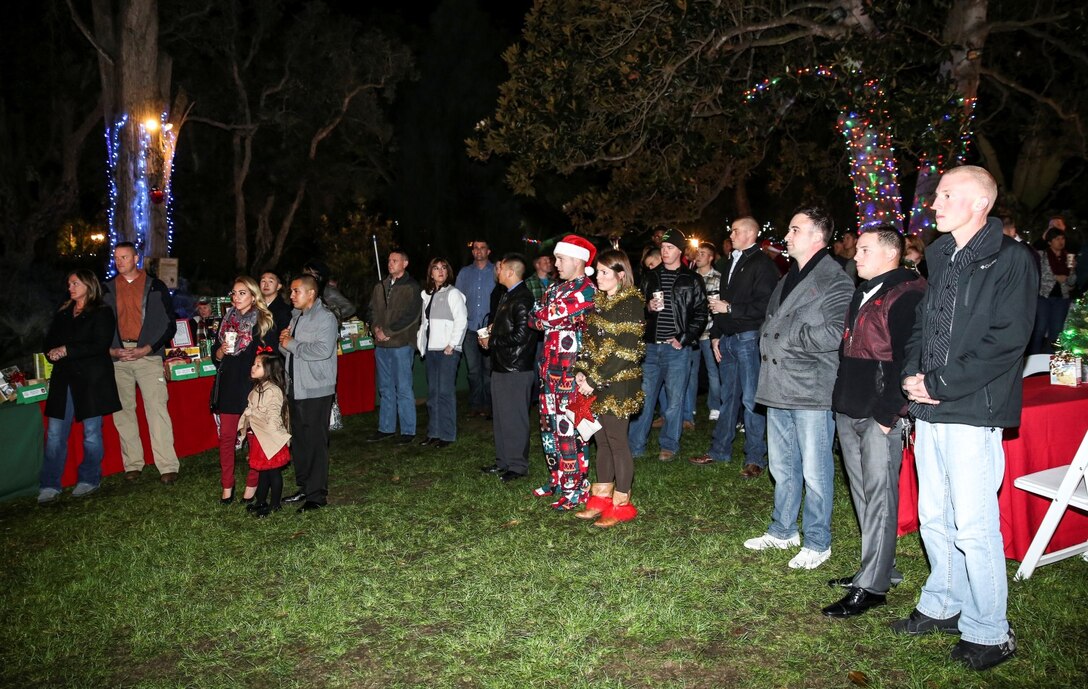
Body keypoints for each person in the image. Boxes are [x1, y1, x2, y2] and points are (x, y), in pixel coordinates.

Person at [897, 165, 1037, 671]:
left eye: (946, 195)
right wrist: (913, 375)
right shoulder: (941, 254)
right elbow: (924, 324)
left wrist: (940, 384)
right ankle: (943, 603)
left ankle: (990, 630)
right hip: (931, 405)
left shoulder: (1012, 258)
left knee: (974, 526)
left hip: (972, 407)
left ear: (979, 203)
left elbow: (1008, 338)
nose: (934, 204)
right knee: (935, 514)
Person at [822, 227, 925, 619]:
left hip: (879, 413)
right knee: (863, 493)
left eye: (864, 249)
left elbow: (906, 359)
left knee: (880, 498)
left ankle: (873, 586)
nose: (855, 255)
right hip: (850, 405)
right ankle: (880, 566)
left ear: (889, 254)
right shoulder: (863, 290)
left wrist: (888, 415)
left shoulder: (906, 293)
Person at [743, 207, 852, 570]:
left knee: (816, 471)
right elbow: (770, 321)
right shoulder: (789, 275)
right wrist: (767, 339)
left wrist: (788, 339)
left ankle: (818, 541)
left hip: (811, 387)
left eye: (794, 230)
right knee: (782, 465)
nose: (787, 236)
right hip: (778, 385)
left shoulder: (835, 278)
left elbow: (837, 332)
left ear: (817, 237)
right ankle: (783, 530)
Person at [689, 216, 779, 478]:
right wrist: (717, 334)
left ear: (751, 233)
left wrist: (731, 309)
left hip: (749, 339)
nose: (731, 234)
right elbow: (721, 303)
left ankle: (755, 458)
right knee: (729, 399)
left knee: (751, 400)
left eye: (736, 230)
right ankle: (719, 450)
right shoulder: (730, 262)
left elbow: (766, 306)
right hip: (728, 340)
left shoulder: (763, 264)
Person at [38, 270, 123, 504]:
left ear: (88, 284)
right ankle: (49, 484)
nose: (71, 287)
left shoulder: (102, 312)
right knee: (55, 434)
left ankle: (89, 479)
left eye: (75, 283)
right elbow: (49, 341)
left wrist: (67, 350)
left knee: (91, 434)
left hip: (91, 381)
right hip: (63, 379)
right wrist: (52, 352)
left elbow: (99, 344)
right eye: (69, 284)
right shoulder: (64, 313)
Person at [573, 249, 645, 527]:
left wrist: (595, 379)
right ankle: (600, 498)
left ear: (621, 274)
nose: (598, 276)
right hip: (597, 381)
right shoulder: (600, 303)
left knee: (617, 441)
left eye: (604, 272)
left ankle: (621, 504)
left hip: (619, 383)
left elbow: (625, 351)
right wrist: (581, 371)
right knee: (600, 440)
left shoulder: (631, 304)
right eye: (597, 271)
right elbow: (590, 345)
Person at [627, 228, 708, 462]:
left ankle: (669, 445)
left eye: (670, 247)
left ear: (680, 251)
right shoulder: (651, 276)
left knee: (674, 401)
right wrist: (648, 308)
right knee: (644, 399)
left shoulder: (692, 279)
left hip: (676, 350)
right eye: (662, 247)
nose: (664, 251)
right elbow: (638, 308)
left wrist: (683, 339)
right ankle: (635, 445)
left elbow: (701, 315)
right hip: (651, 347)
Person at [103, 242, 180, 485]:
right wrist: (112, 349)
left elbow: (169, 324)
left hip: (147, 355)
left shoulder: (155, 286)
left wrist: (147, 348)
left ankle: (167, 465)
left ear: (136, 258)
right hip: (117, 356)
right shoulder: (106, 289)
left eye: (125, 257)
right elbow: (97, 327)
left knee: (156, 409)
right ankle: (133, 464)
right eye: (116, 258)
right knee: (123, 412)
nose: (120, 261)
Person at [530, 235, 597, 508]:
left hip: (571, 373)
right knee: (549, 429)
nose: (555, 264)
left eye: (560, 259)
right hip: (549, 370)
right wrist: (547, 315)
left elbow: (545, 316)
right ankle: (557, 478)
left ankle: (575, 488)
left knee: (569, 430)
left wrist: (547, 315)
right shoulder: (557, 289)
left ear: (579, 260)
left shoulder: (587, 289)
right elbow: (535, 317)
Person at [211, 276, 276, 504]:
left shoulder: (262, 320)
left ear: (253, 295)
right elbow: (215, 354)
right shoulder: (226, 319)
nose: (236, 297)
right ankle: (227, 486)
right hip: (229, 385)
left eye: (242, 293)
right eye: (234, 293)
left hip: (251, 386)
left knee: (254, 437)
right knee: (227, 438)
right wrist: (219, 352)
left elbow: (270, 355)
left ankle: (252, 483)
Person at [279, 275, 339, 512]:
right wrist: (284, 344)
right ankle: (304, 486)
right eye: (292, 292)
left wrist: (291, 343)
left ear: (311, 293)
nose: (291, 296)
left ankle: (317, 495)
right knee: (300, 442)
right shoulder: (297, 317)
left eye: (296, 291)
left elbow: (323, 351)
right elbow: (293, 352)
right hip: (296, 386)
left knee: (315, 442)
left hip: (316, 389)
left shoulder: (325, 318)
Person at [480, 255, 539, 482]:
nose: (498, 271)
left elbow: (523, 335)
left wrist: (493, 340)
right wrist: (494, 329)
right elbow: (510, 327)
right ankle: (503, 461)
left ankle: (517, 465)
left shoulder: (523, 298)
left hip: (516, 368)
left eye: (501, 268)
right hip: (502, 365)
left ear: (511, 272)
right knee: (502, 417)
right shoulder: (508, 295)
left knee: (515, 418)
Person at [367, 249, 422, 444]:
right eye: (389, 260)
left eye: (395, 260)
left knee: (404, 388)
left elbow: (411, 316)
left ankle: (408, 430)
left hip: (400, 344)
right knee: (385, 388)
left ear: (405, 263)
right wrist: (376, 329)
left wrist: (388, 331)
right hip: (381, 345)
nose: (390, 264)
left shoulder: (412, 287)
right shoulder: (380, 287)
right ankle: (386, 428)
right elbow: (372, 311)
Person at [417, 257, 467, 448]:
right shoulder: (427, 295)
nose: (440, 271)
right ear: (431, 273)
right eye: (436, 268)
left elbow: (462, 320)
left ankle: (447, 434)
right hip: (431, 349)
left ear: (448, 272)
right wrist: (422, 344)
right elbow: (425, 323)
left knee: (445, 392)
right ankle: (434, 433)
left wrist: (452, 345)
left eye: (443, 268)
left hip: (447, 350)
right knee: (433, 393)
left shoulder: (453, 293)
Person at [239, 352, 292, 518]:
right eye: (254, 364)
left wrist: (255, 415)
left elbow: (273, 414)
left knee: (273, 473)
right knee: (262, 471)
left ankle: (275, 504)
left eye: (258, 365)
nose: (253, 368)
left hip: (270, 438)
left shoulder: (273, 391)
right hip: (260, 437)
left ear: (269, 370)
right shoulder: (258, 388)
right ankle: (261, 501)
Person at [456, 239, 495, 417]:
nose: (478, 251)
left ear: (488, 251)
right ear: (473, 252)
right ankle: (475, 405)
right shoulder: (464, 273)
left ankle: (488, 405)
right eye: (475, 248)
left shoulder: (496, 271)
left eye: (482, 248)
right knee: (472, 371)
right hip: (470, 328)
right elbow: (457, 300)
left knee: (488, 370)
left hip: (490, 329)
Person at [1029, 226, 1076, 354]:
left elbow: (1072, 282)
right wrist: (1056, 277)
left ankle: (1049, 360)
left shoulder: (1068, 257)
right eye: (1057, 239)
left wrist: (1071, 271)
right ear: (1050, 241)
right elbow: (1039, 274)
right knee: (1040, 328)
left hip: (1061, 299)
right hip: (1043, 296)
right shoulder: (1042, 255)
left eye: (1062, 238)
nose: (1061, 241)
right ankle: (1033, 358)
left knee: (1057, 330)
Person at [690, 242, 722, 422]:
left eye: (703, 253)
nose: (698, 256)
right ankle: (690, 407)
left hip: (710, 331)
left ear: (710, 258)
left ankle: (715, 406)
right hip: (694, 332)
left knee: (713, 370)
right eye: (697, 253)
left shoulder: (718, 278)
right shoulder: (691, 277)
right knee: (691, 371)